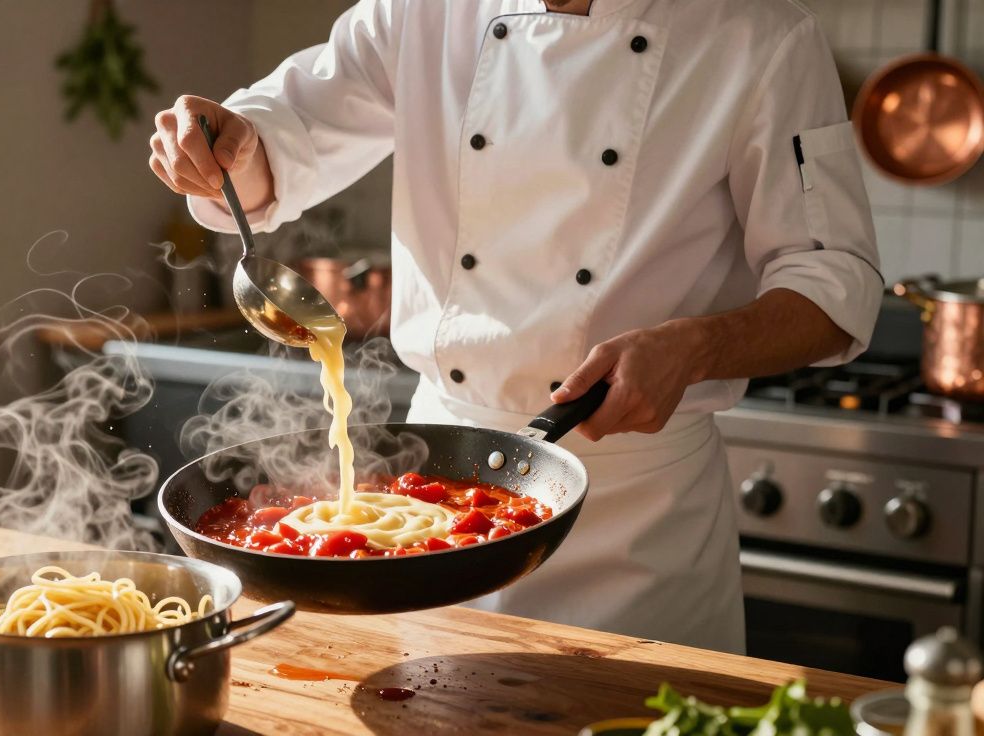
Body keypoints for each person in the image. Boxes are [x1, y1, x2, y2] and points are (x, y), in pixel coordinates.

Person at [147, 0, 881, 653]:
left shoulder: (762, 34)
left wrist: (695, 347)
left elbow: (834, 281)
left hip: (639, 523)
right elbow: (281, 140)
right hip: (431, 497)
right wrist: (225, 150)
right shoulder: (419, 12)